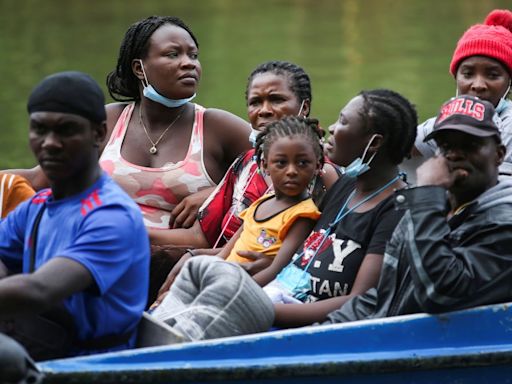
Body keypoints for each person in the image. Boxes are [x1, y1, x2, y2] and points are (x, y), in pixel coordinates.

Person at [149, 89, 418, 341]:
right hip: (276, 289)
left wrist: (266, 307)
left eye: (343, 122)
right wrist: (264, 263)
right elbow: (287, 219)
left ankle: (165, 352)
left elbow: (358, 300)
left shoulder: (395, 209)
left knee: (221, 289)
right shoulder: (346, 186)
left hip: (302, 320)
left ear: (373, 143)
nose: (333, 129)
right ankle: (157, 329)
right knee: (199, 266)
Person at [10, 16, 252, 231]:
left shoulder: (216, 126)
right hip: (101, 247)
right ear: (139, 68)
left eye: (193, 55)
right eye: (172, 54)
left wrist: (219, 194)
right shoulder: (109, 121)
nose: (189, 63)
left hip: (180, 262)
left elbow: (278, 169)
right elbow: (39, 179)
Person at [147, 61, 339, 304]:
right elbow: (202, 236)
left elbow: (327, 246)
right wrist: (138, 234)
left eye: (276, 100)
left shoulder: (322, 174)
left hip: (273, 281)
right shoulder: (248, 163)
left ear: (304, 107)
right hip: (226, 263)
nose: (264, 110)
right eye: (255, 102)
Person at [0, 71, 149, 360]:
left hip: (90, 359)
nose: (50, 142)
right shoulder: (37, 206)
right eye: (39, 129)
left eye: (66, 130)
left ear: (98, 134)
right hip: (38, 338)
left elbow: (39, 291)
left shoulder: (112, 215)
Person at [324, 94, 512, 324]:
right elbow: (386, 295)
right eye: (446, 146)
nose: (454, 154)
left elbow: (441, 293)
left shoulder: (503, 222)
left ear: (499, 155)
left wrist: (427, 195)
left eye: (470, 145)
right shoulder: (432, 208)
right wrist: (325, 328)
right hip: (389, 341)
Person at [411, 9, 512, 176]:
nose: (478, 85)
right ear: (456, 77)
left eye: (493, 75)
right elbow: (402, 145)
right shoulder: (448, 116)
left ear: (509, 81)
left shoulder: (508, 129)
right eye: (468, 74)